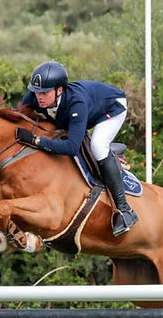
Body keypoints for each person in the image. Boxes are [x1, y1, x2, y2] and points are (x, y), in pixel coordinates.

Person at [15, 61, 139, 236]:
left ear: (59, 90)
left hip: (111, 107)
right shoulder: (34, 97)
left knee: (98, 145)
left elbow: (72, 147)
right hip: (89, 106)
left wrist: (36, 141)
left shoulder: (76, 103)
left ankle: (124, 210)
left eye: (44, 93)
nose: (39, 97)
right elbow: (15, 114)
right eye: (36, 92)